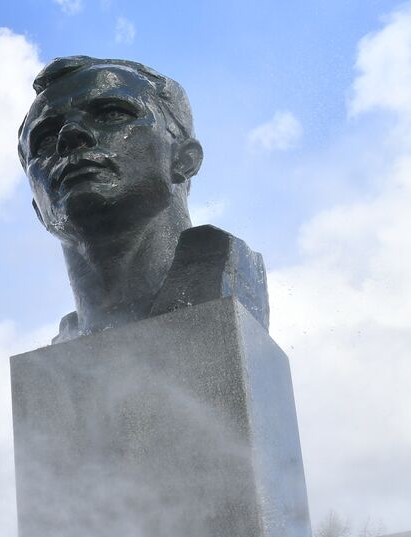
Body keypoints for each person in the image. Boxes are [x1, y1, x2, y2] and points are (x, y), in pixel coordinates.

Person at [18, 56, 253, 342]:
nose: (69, 135)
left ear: (184, 159)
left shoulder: (229, 277)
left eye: (112, 114)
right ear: (39, 211)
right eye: (43, 138)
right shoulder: (63, 351)